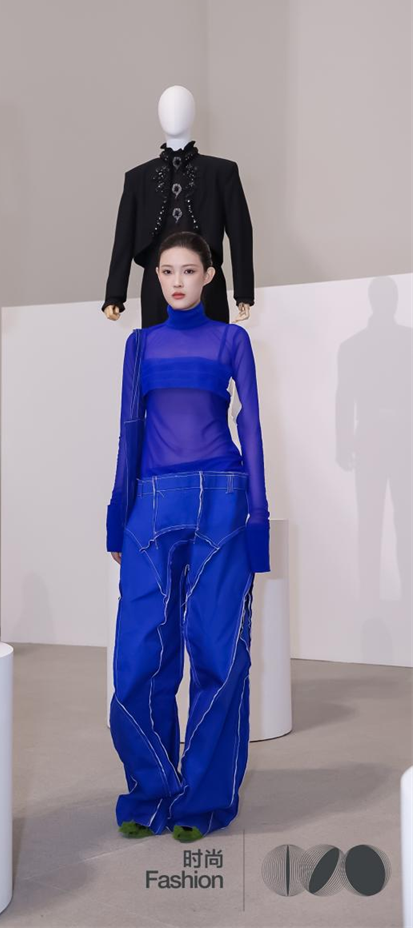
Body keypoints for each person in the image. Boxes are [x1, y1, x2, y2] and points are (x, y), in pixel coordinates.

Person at [106, 230, 271, 842]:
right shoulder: (140, 345)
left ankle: (202, 802)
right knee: (138, 658)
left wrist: (259, 518)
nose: (177, 281)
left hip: (223, 500)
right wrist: (117, 513)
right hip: (152, 504)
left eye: (189, 270)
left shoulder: (232, 340)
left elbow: (251, 427)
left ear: (209, 276)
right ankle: (151, 794)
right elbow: (129, 430)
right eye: (167, 271)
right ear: (156, 278)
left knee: (218, 655)